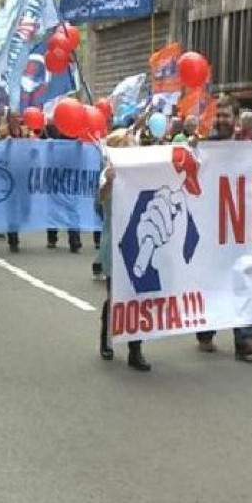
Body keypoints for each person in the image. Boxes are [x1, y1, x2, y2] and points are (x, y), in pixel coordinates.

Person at [195, 94, 252, 359]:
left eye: (226, 115)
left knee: (242, 280)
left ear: (236, 120)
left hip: (239, 228)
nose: (222, 120)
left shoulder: (249, 147)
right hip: (211, 229)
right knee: (214, 282)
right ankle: (205, 331)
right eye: (219, 115)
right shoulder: (205, 146)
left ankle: (245, 340)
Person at [97, 129, 151, 371]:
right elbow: (101, 202)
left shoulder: (139, 174)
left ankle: (135, 349)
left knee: (137, 297)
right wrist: (109, 181)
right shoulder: (108, 174)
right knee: (116, 295)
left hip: (136, 243)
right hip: (114, 243)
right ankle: (106, 338)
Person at [0, 111, 28, 253]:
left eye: (18, 117)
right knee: (12, 206)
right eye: (13, 117)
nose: (16, 119)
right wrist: (4, 143)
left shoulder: (25, 131)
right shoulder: (3, 132)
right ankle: (13, 238)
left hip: (22, 173)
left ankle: (16, 227)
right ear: (8, 119)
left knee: (24, 206)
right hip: (8, 174)